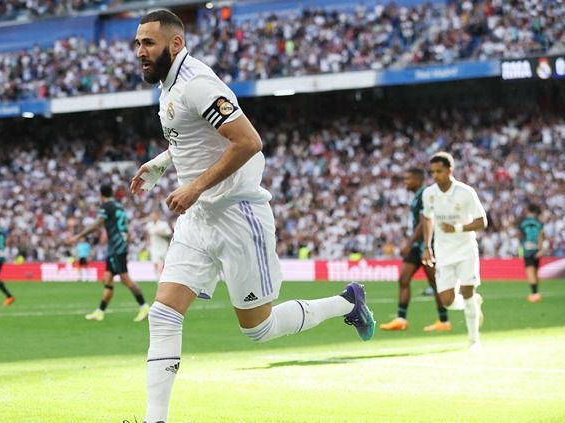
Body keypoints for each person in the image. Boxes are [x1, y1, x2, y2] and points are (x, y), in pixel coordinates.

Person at [130, 10, 375, 423]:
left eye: (148, 43)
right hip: (199, 219)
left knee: (257, 329)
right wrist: (160, 164)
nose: (140, 52)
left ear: (175, 44)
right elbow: (196, 139)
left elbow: (248, 141)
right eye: (137, 44)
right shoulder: (169, 85)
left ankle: (347, 302)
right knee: (163, 313)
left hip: (237, 215)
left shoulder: (197, 83)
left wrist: (193, 187)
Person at [421, 152, 486, 349]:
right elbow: (427, 218)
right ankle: (473, 302)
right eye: (432, 172)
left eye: (439, 171)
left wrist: (457, 228)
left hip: (466, 249)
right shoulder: (429, 193)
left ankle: (473, 340)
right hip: (443, 252)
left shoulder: (465, 192)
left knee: (467, 291)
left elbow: (482, 221)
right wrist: (427, 246)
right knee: (447, 300)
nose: (435, 175)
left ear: (450, 170)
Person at [380, 168, 450, 332]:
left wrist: (409, 243)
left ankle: (444, 321)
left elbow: (424, 222)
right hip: (417, 246)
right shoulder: (417, 197)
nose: (405, 182)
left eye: (408, 179)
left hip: (426, 245)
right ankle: (401, 319)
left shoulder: (424, 195)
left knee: (435, 283)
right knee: (404, 279)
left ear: (418, 180)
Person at [68, 184, 150, 322]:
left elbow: (96, 225)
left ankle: (145, 307)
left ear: (101, 194)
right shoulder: (118, 206)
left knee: (125, 279)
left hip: (117, 247)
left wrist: (77, 236)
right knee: (107, 278)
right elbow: (125, 226)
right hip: (117, 246)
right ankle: (100, 311)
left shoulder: (106, 206)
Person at [519, 203, 545, 302]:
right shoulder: (539, 222)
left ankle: (534, 294)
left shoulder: (523, 222)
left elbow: (521, 236)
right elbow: (541, 236)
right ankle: (536, 292)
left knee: (530, 271)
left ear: (528, 210)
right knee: (535, 271)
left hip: (527, 249)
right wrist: (541, 249)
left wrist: (521, 248)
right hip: (537, 248)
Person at [145, 211, 172, 279]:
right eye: (151, 216)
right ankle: (158, 280)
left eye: (153, 215)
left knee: (166, 265)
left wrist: (160, 233)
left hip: (164, 248)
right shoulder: (149, 225)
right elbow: (147, 234)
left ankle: (167, 278)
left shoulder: (163, 224)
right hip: (154, 248)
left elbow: (169, 234)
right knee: (155, 264)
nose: (152, 217)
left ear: (157, 216)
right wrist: (148, 242)